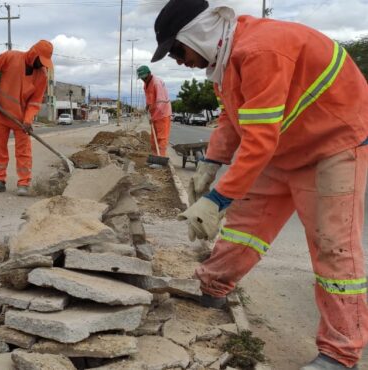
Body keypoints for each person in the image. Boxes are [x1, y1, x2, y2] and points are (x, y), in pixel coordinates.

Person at [150, 0, 368, 368]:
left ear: (198, 34)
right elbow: (233, 121)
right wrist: (210, 163)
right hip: (286, 148)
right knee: (245, 227)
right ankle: (214, 287)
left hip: (333, 146)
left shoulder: (260, 51)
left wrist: (217, 199)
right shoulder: (228, 64)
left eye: (177, 49)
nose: (177, 59)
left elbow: (258, 141)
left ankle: (339, 351)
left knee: (334, 247)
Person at [0, 40, 53, 196]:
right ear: (34, 53)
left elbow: (35, 101)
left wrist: (28, 120)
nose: (41, 65)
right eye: (40, 61)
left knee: (23, 152)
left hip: (21, 119)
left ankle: (24, 184)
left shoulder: (41, 75)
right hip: (1, 113)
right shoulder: (10, 57)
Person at [137, 65, 172, 161]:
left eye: (144, 77)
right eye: (141, 78)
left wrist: (153, 117)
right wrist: (147, 107)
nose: (143, 79)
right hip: (154, 114)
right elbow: (149, 98)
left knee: (161, 138)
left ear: (149, 74)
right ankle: (155, 157)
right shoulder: (146, 84)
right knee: (153, 138)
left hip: (163, 114)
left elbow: (160, 102)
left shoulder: (157, 83)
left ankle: (161, 159)